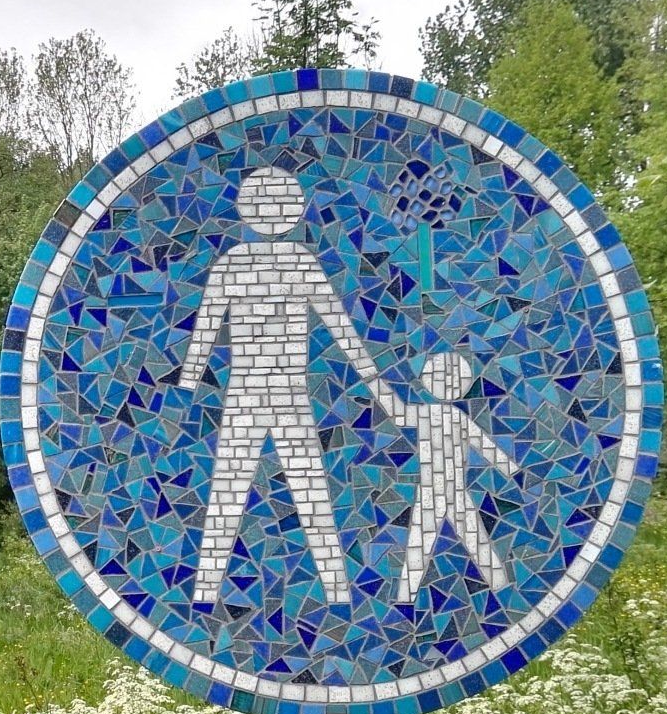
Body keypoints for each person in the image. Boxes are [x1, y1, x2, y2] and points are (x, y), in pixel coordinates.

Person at [181, 166, 402, 612]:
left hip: (275, 392)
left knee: (287, 485)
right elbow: (206, 324)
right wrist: (189, 375)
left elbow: (339, 327)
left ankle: (330, 588)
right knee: (253, 486)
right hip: (259, 391)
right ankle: (212, 590)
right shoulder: (261, 262)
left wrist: (190, 375)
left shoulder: (276, 261)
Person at [382, 350, 520, 607]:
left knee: (457, 537)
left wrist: (510, 469)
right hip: (437, 490)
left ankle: (407, 595)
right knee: (430, 540)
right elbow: (399, 414)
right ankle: (407, 595)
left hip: (451, 490)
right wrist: (510, 470)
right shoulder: (436, 415)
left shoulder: (448, 416)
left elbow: (484, 445)